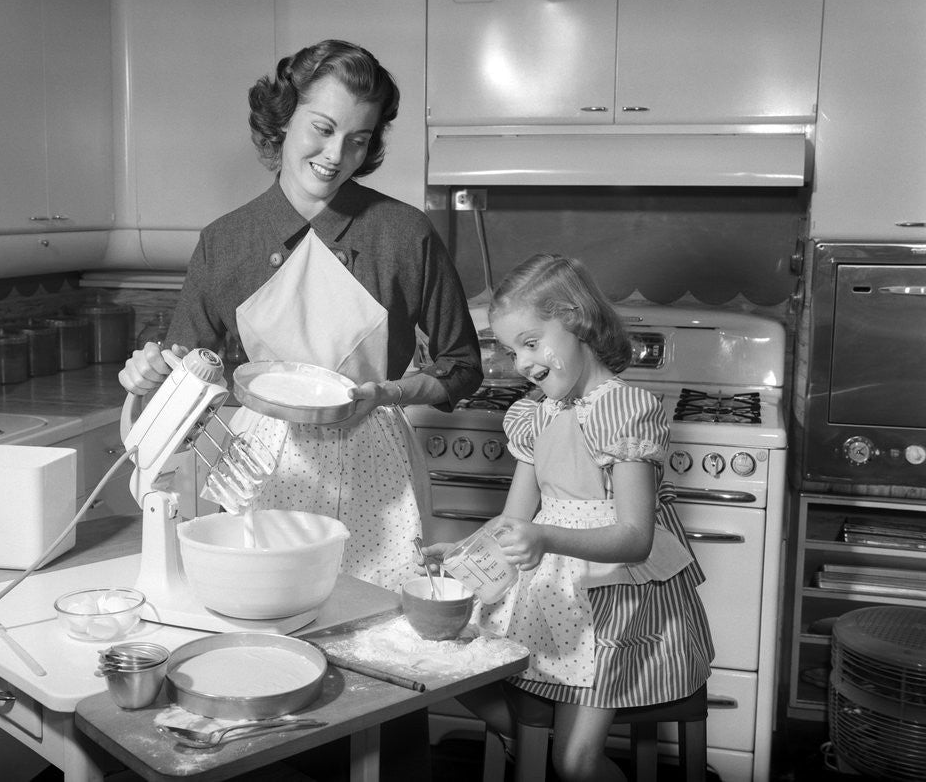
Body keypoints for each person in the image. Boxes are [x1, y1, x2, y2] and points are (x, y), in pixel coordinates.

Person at [119, 39, 482, 593]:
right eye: (322, 127)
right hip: (257, 470)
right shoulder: (226, 242)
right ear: (282, 120)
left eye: (358, 140)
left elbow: (462, 367)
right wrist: (150, 378)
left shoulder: (404, 235)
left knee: (377, 628)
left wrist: (385, 393)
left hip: (374, 467)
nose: (337, 155)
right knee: (267, 618)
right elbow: (186, 378)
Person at [424, 253, 714, 782]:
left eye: (532, 343)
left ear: (577, 319)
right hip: (550, 595)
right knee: (441, 666)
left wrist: (545, 537)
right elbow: (514, 520)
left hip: (616, 606)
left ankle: (536, 748)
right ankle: (521, 740)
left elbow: (634, 539)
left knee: (575, 764)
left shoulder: (625, 409)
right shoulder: (537, 414)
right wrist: (465, 552)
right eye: (512, 350)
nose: (523, 363)